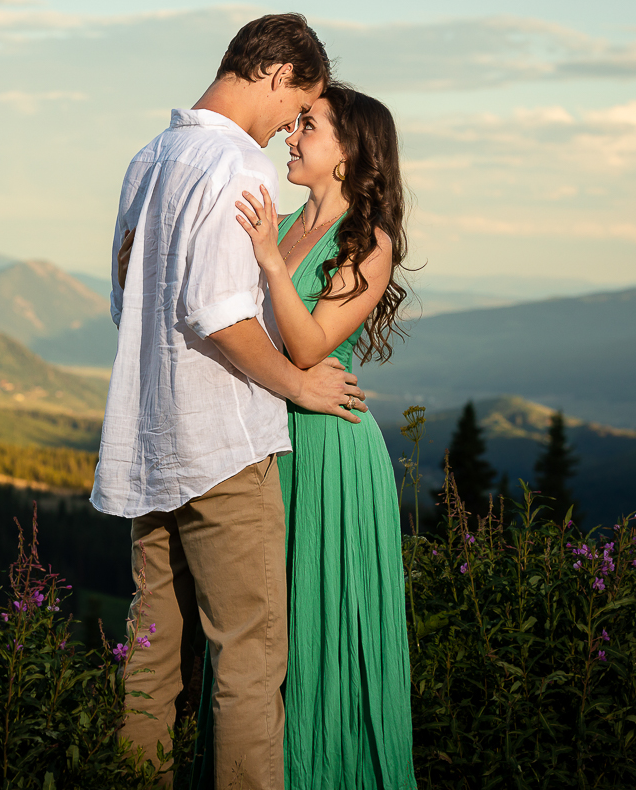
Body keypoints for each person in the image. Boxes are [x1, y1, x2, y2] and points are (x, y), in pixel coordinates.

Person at [91, 14, 368, 789]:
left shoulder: (148, 160)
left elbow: (128, 302)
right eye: (297, 104)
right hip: (222, 448)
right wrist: (298, 382)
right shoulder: (237, 165)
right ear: (277, 75)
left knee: (151, 664)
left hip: (149, 445)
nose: (289, 125)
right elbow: (221, 314)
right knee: (250, 660)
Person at [226, 81, 417, 788]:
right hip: (274, 435)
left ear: (347, 153)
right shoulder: (278, 221)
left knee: (323, 622)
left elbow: (308, 347)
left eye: (309, 124)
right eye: (295, 120)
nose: (291, 133)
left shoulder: (368, 243)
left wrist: (271, 263)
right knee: (274, 625)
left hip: (333, 448)